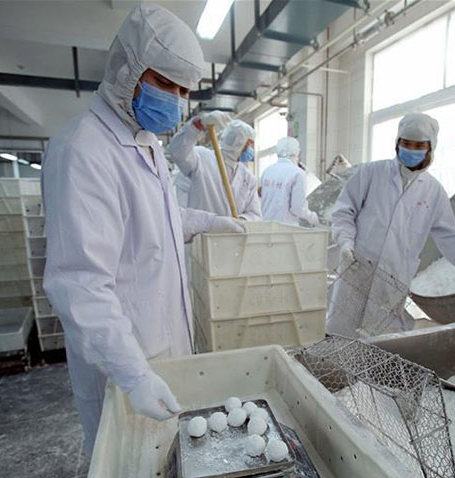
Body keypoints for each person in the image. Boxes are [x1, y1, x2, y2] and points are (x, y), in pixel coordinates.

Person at [42, 4, 243, 452]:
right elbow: (79, 283)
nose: (175, 98)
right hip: (123, 363)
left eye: (183, 89)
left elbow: (161, 223)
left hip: (166, 348)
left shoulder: (147, 145)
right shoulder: (84, 150)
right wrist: (132, 373)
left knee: (169, 469)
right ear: (126, 69)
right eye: (163, 82)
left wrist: (211, 222)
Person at [327, 112, 455, 337]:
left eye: (419, 145)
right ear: (397, 144)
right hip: (357, 265)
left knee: (380, 336)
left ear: (430, 148)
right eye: (406, 144)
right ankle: (333, 369)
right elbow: (344, 212)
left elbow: (451, 239)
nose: (411, 150)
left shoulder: (433, 192)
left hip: (394, 276)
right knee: (341, 327)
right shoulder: (370, 174)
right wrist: (345, 242)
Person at [168, 113, 261, 220]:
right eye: (249, 144)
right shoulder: (202, 157)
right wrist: (197, 126)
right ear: (238, 142)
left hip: (232, 234)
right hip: (202, 233)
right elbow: (177, 151)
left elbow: (255, 214)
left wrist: (243, 220)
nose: (251, 149)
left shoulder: (248, 177)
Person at [259, 137, 319, 226]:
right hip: (286, 229)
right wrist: (313, 218)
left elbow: (262, 197)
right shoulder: (298, 173)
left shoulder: (267, 170)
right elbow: (297, 208)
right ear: (296, 153)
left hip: (266, 225)